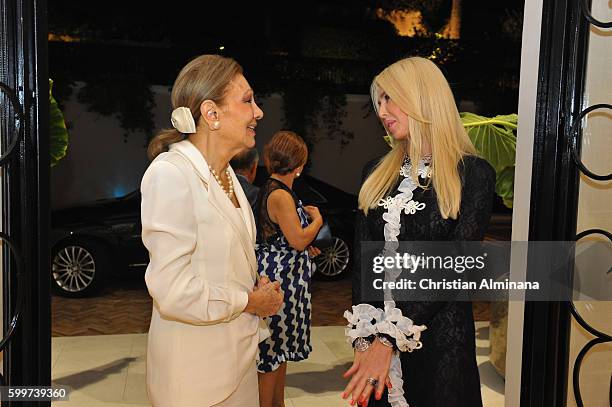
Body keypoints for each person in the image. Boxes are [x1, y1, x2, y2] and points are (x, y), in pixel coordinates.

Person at [342, 56, 495, 407]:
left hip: (442, 343)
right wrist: (366, 343)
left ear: (423, 97)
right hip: (379, 345)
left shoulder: (472, 174)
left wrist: (388, 340)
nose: (382, 110)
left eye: (390, 98)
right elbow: (366, 267)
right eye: (378, 100)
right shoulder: (374, 171)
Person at [141, 54, 283, 407]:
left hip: (238, 366)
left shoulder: (227, 176)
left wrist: (249, 285)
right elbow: (172, 290)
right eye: (247, 100)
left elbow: (219, 262)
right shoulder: (171, 173)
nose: (259, 112)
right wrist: (249, 301)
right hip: (196, 381)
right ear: (211, 113)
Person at [254, 131, 323, 407]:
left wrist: (303, 248)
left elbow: (283, 239)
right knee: (272, 354)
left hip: (280, 275)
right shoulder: (281, 195)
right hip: (282, 282)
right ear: (299, 165)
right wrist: (317, 221)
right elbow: (297, 239)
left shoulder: (271, 188)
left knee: (278, 352)